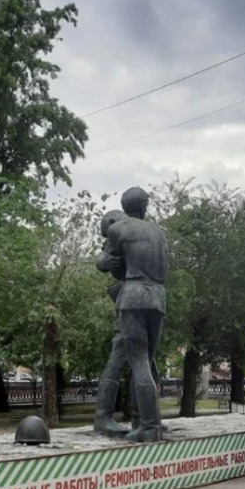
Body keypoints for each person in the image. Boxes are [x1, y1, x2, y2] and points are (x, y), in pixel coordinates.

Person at [106, 187, 168, 442]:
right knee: (148, 361)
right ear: (145, 206)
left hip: (133, 296)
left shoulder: (117, 229)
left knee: (139, 362)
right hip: (158, 297)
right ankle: (144, 421)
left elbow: (111, 264)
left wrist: (104, 263)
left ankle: (149, 427)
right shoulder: (159, 232)